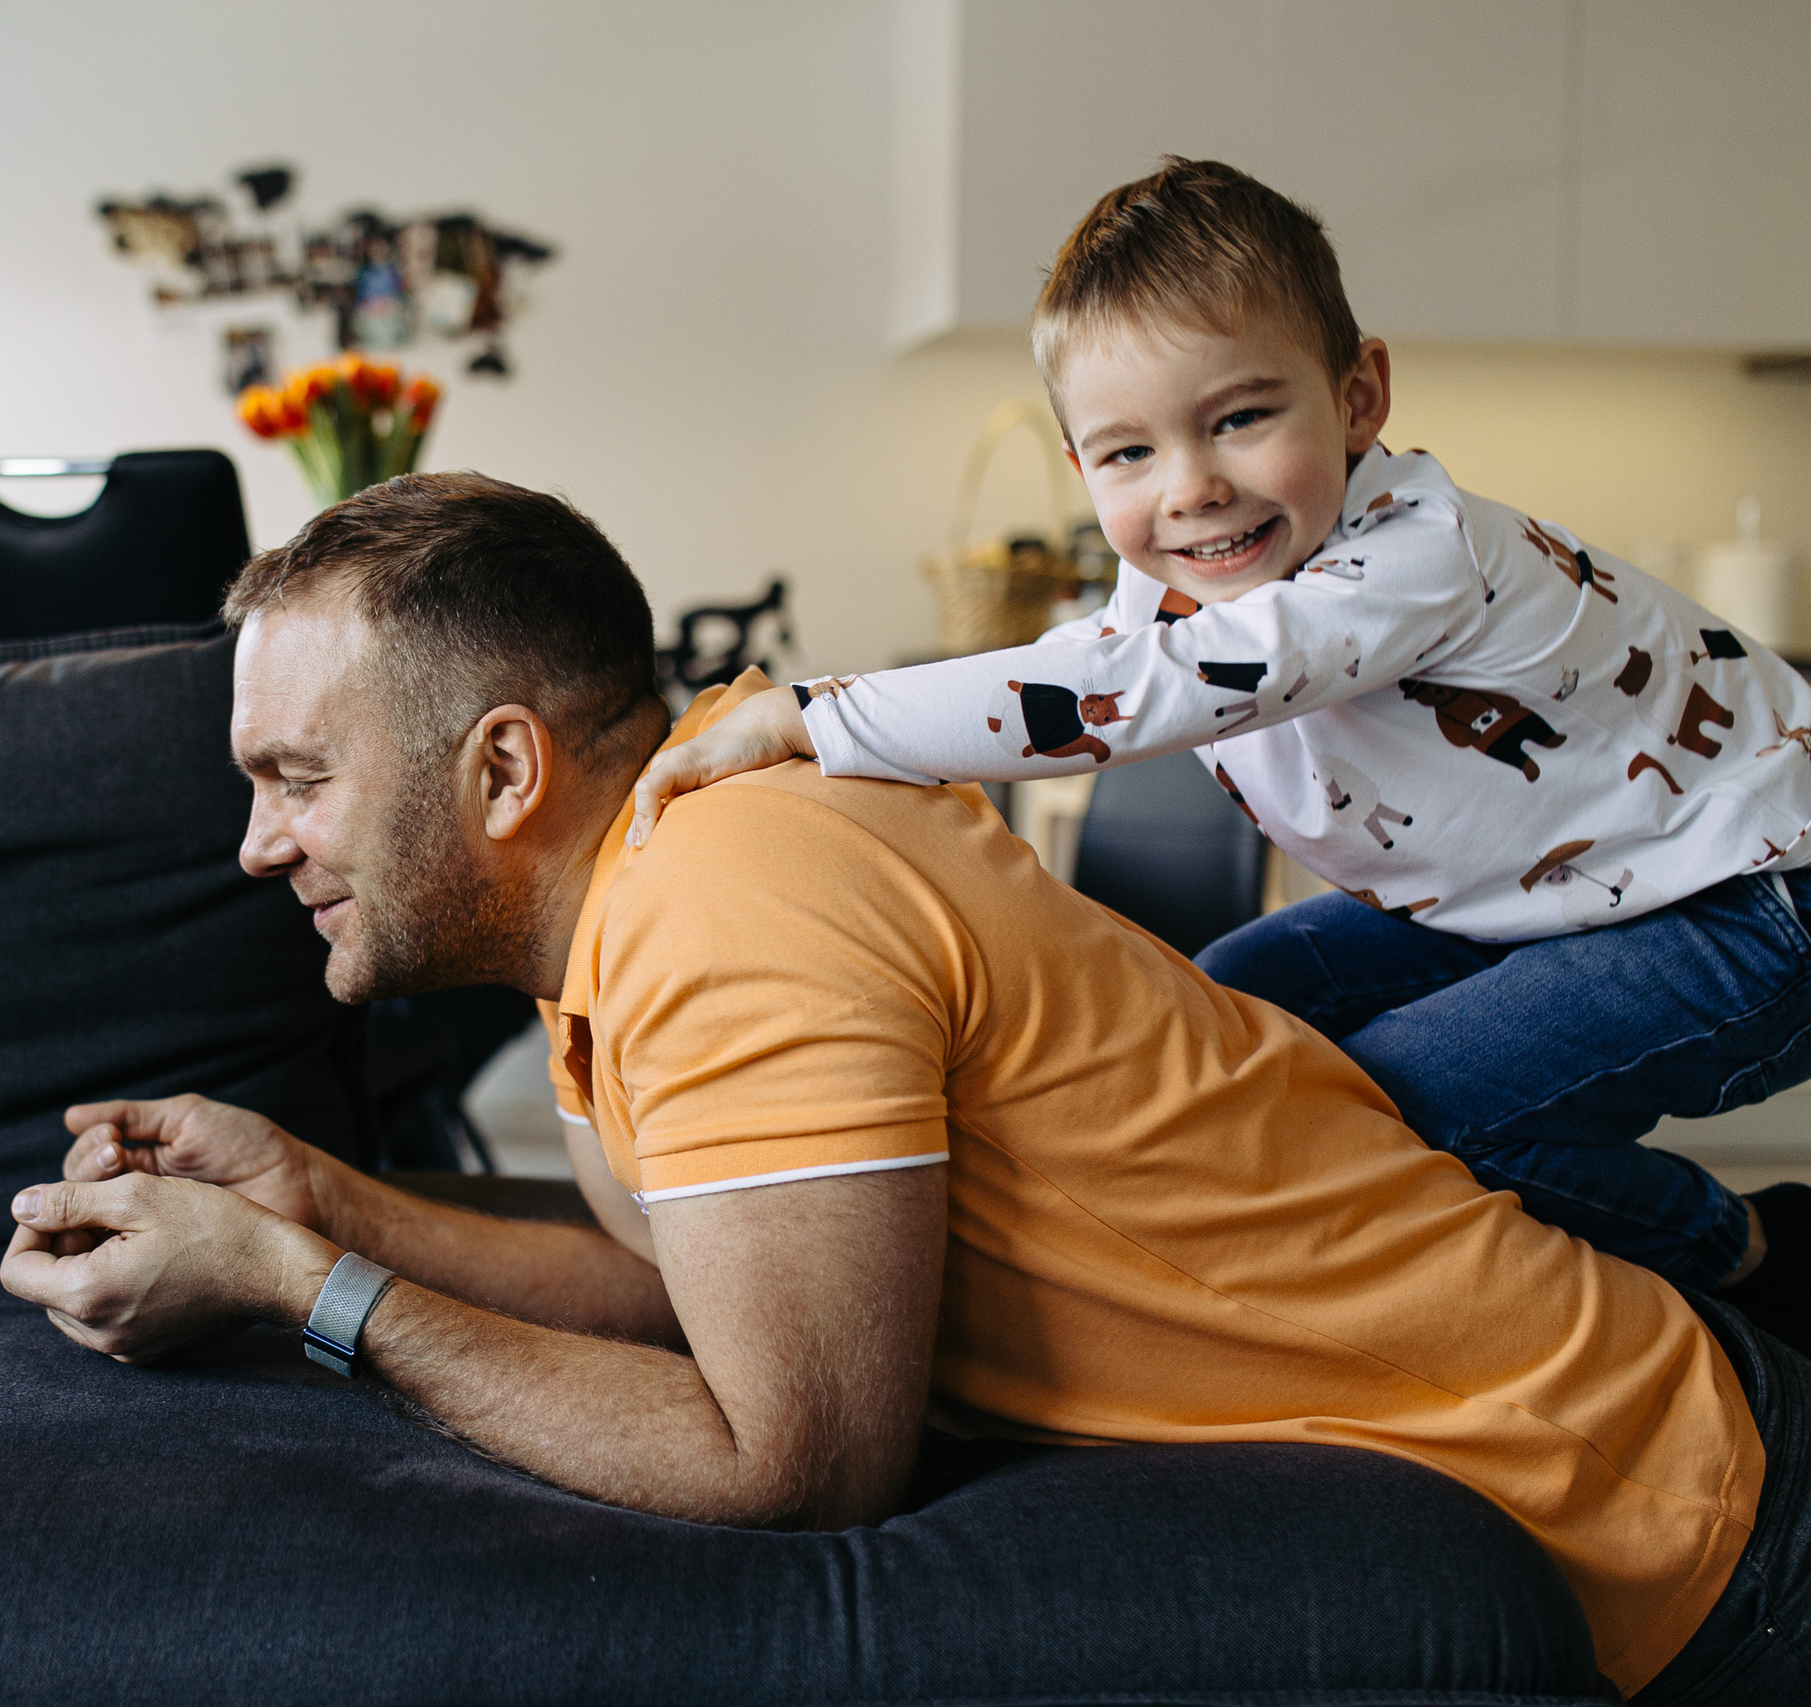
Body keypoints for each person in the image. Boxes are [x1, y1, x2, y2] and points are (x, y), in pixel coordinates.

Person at [0, 470, 1807, 1702]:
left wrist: (308, 1296)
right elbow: (704, 1293)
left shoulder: (728, 899)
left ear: (499, 770)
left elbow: (783, 1455)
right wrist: (318, 1197)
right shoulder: (639, 903)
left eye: (296, 775)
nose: (258, 844)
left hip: (1677, 1519)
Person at [623, 158, 1811, 1341]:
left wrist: (812, 713)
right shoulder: (1170, 589)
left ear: (1358, 398)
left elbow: (1123, 691)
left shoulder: (1417, 554)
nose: (1191, 488)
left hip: (1752, 896)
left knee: (1401, 1110)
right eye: (1127, 454)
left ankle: (1758, 1254)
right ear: (1081, 467)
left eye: (1240, 419)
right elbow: (1090, 654)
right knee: (1208, 1022)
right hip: (1543, 897)